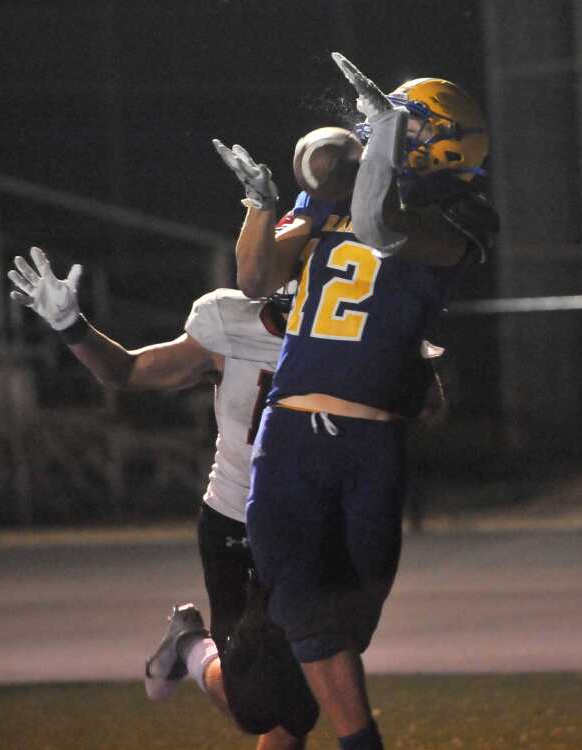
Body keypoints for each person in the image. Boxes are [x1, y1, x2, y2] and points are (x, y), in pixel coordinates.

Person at [213, 52, 499, 750]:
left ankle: (200, 655)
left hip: (372, 443)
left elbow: (379, 227)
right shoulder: (334, 197)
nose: (381, 135)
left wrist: (374, 148)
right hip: (291, 440)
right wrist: (260, 207)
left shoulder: (462, 215)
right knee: (309, 628)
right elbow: (254, 280)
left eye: (402, 125)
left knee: (341, 630)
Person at [6, 246, 318, 750]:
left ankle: (192, 647)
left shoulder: (349, 332)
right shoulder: (227, 319)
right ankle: (191, 644)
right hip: (237, 525)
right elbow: (127, 372)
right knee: (259, 707)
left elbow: (425, 402)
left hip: (311, 529)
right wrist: (71, 326)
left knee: (297, 705)